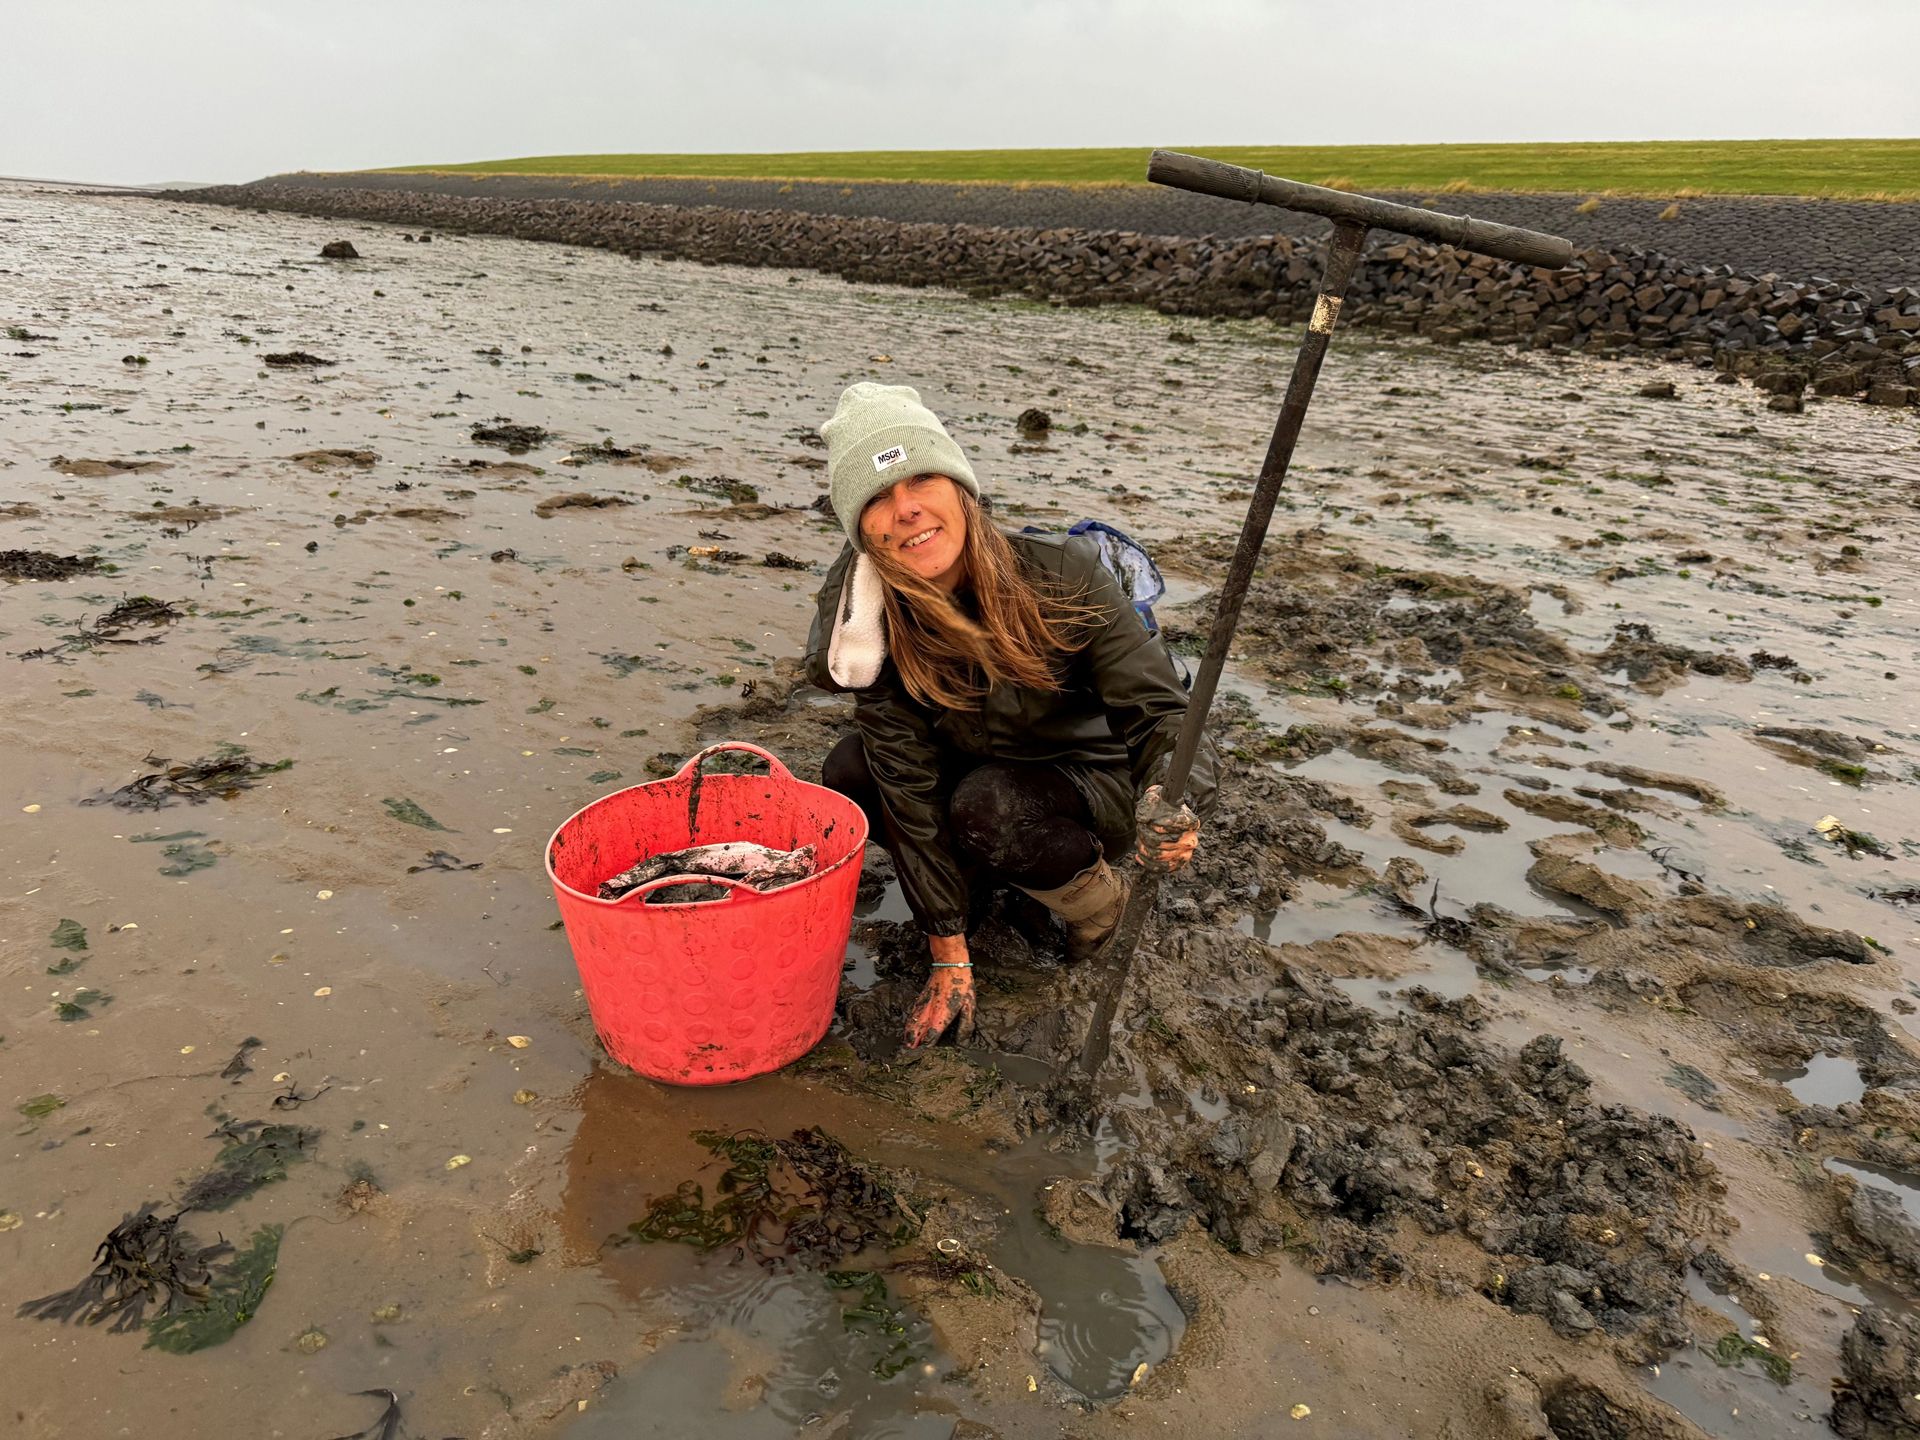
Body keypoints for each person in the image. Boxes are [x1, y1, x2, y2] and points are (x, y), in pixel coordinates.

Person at [804, 382, 1217, 1047]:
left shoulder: (1064, 575)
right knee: (851, 771)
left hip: (1082, 787)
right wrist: (948, 944)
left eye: (921, 480)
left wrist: (1172, 791)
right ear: (861, 528)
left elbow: (1162, 713)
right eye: (877, 497)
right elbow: (905, 782)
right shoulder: (868, 626)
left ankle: (1094, 900)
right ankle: (974, 890)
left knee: (988, 805)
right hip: (972, 776)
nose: (906, 509)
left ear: (960, 488)